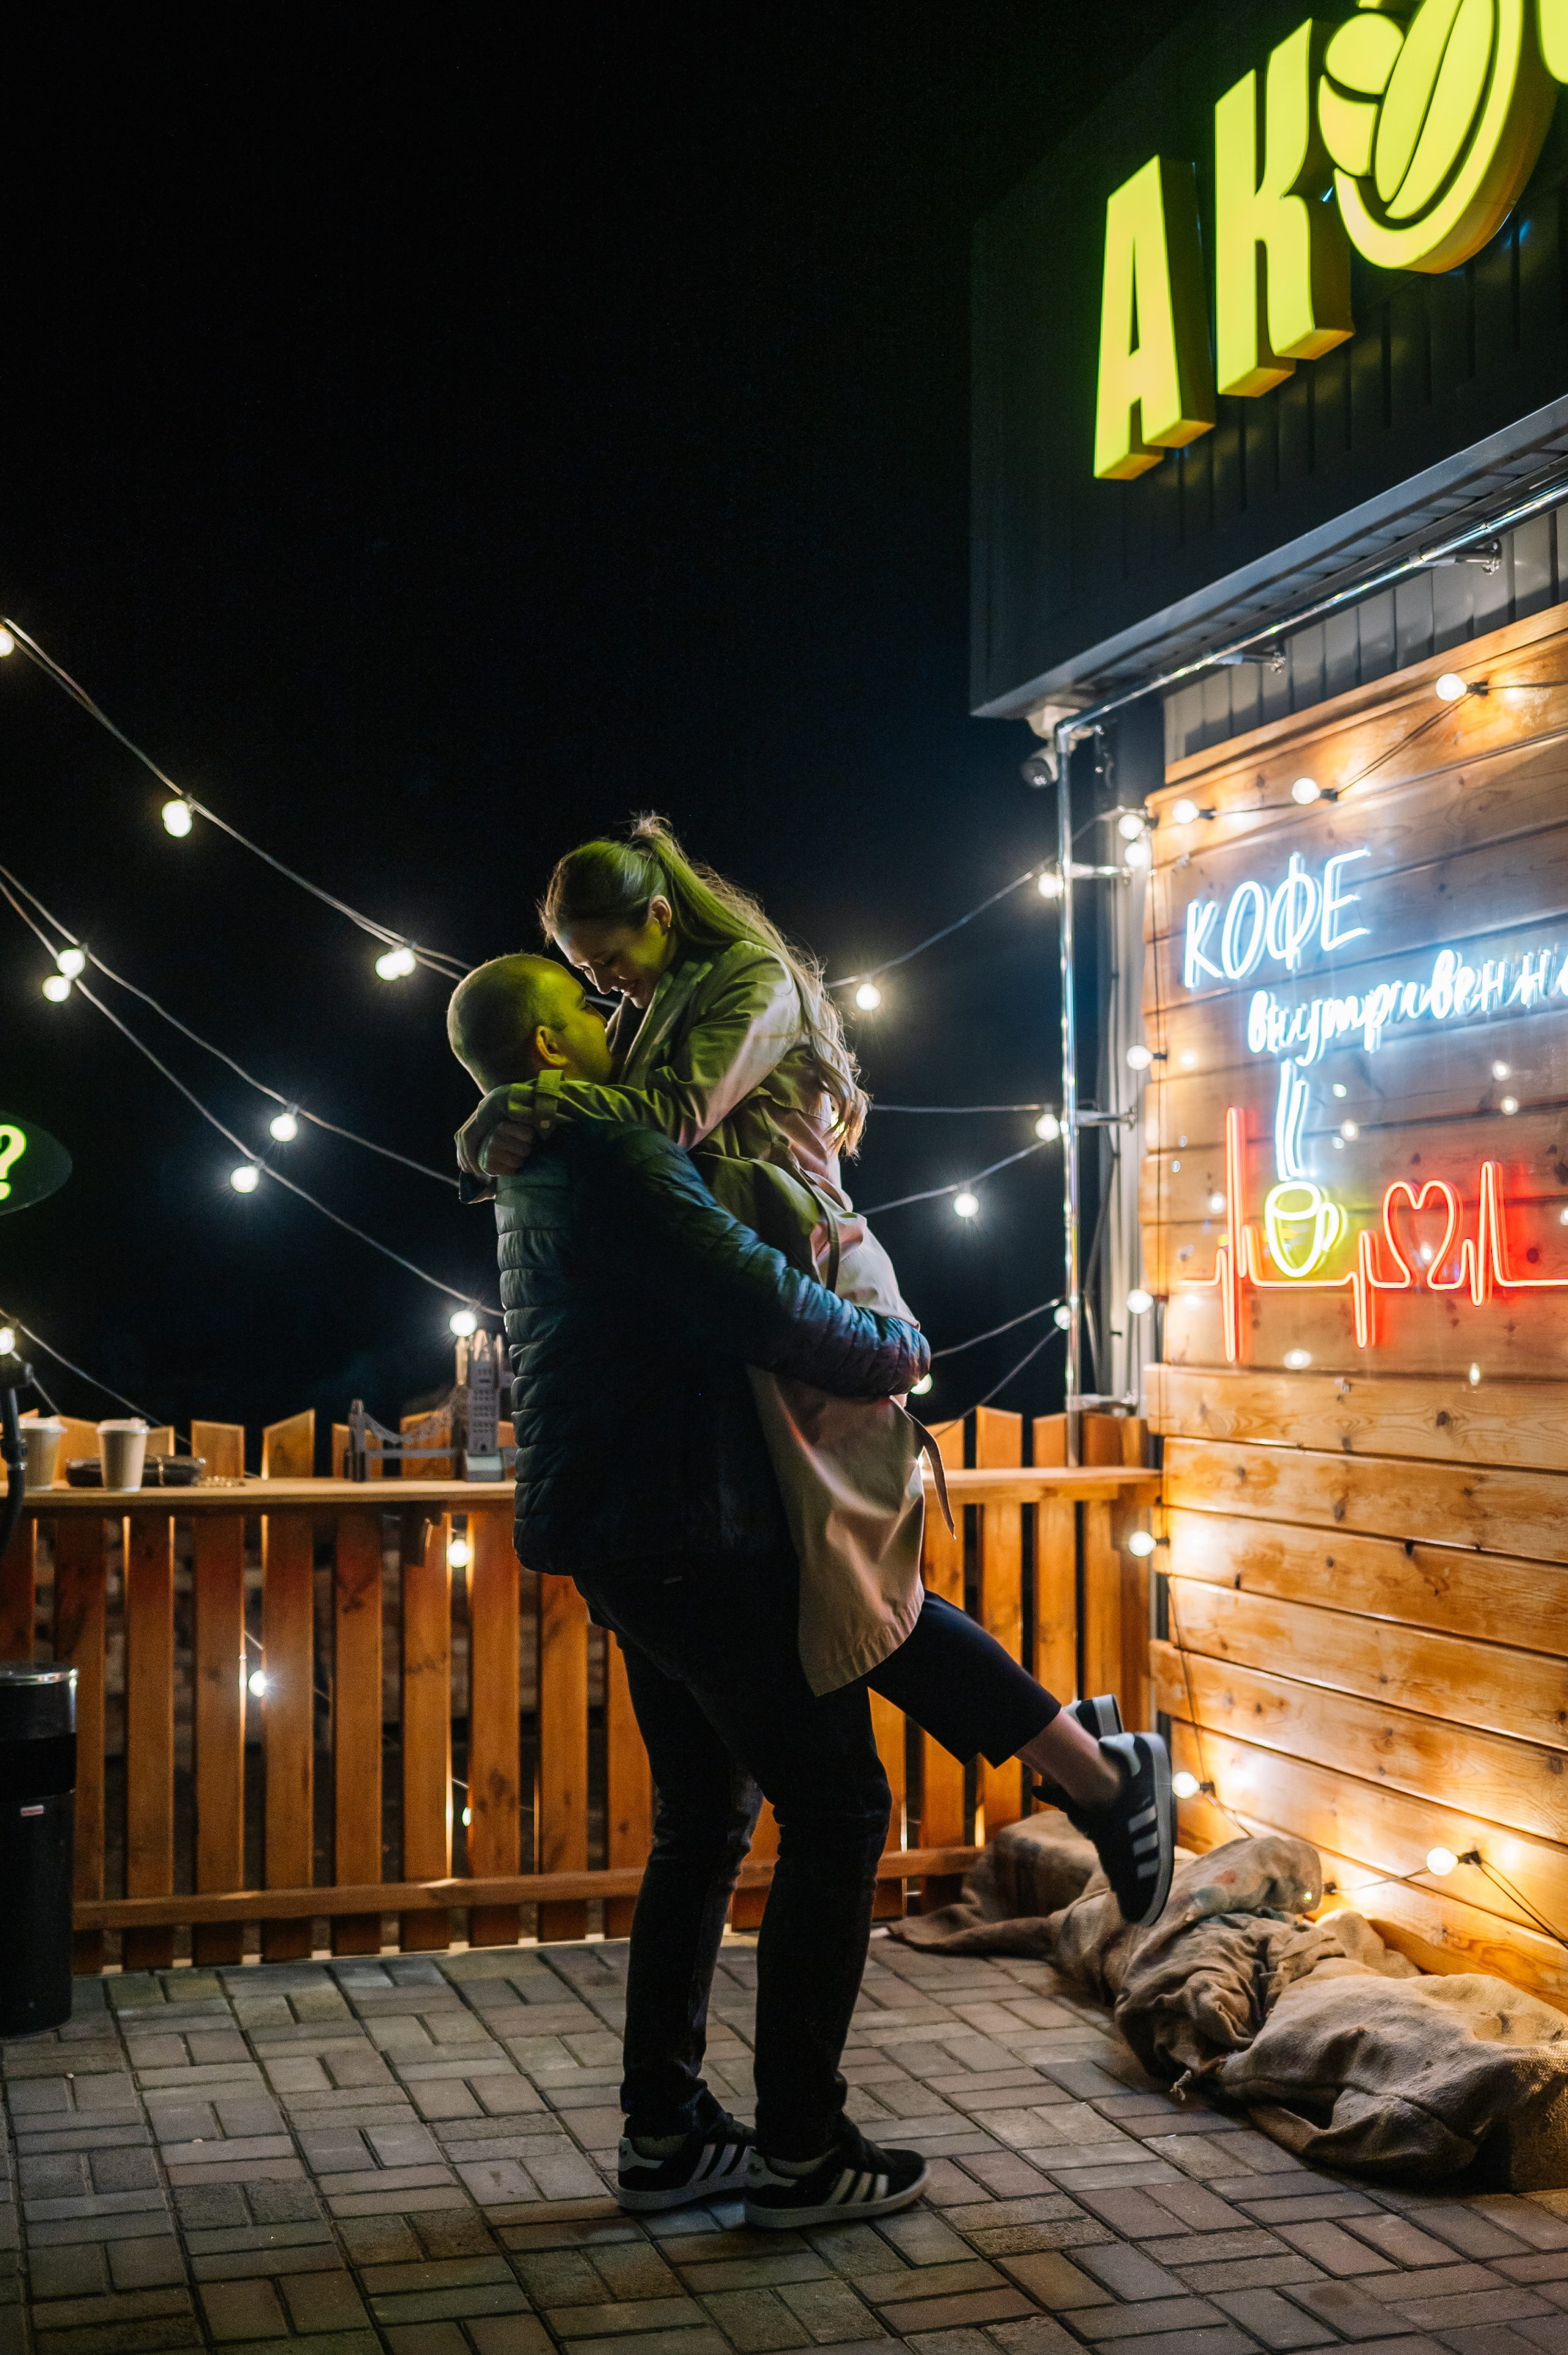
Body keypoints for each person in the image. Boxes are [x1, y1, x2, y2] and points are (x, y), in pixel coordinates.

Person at [447, 954, 1175, 2230]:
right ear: (553, 1051)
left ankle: (667, 2130)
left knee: (703, 1821)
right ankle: (799, 2147)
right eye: (590, 1007)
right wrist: (897, 1348)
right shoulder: (615, 1155)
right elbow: (757, 1296)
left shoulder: (532, 1157)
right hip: (693, 1526)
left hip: (623, 1535)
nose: (620, 1012)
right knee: (837, 1812)